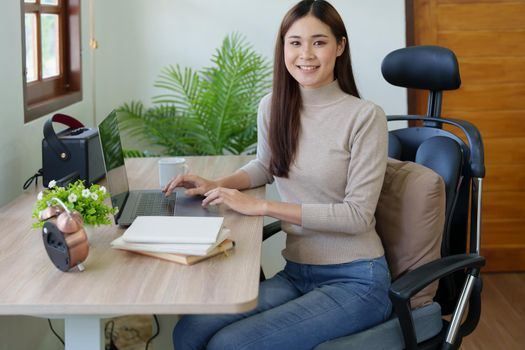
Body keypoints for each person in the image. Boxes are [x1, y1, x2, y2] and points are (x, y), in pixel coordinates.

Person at [165, 1, 391, 349]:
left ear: (340, 47)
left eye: (319, 42)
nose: (306, 54)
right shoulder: (273, 106)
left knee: (231, 345)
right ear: (283, 47)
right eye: (295, 42)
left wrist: (263, 208)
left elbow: (357, 216)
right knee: (190, 330)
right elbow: (267, 165)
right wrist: (217, 185)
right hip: (298, 271)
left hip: (356, 280)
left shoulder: (364, 117)